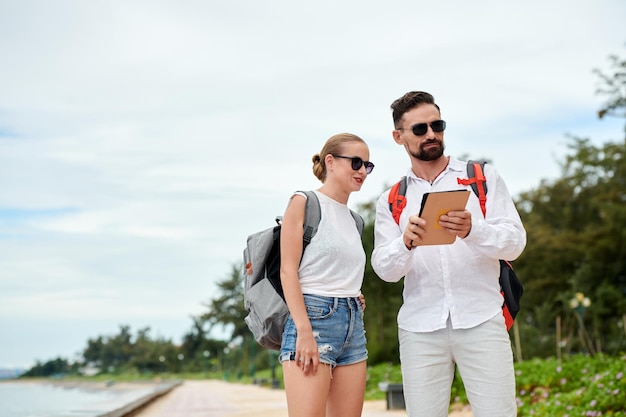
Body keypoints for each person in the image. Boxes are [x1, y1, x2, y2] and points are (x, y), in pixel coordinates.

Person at [371, 91, 526, 417]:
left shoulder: (483, 178)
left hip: (482, 319)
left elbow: (515, 242)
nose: (431, 134)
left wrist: (474, 230)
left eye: (437, 125)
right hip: (419, 329)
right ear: (398, 137)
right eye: (419, 129)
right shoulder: (391, 199)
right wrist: (405, 243)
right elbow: (384, 270)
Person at [279, 133, 374, 417]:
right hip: (313, 319)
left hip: (353, 324)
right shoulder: (304, 202)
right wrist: (305, 333)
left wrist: (352, 294)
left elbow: (336, 267)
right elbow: (288, 271)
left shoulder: (355, 219)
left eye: (367, 166)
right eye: (356, 162)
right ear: (330, 162)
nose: (362, 171)